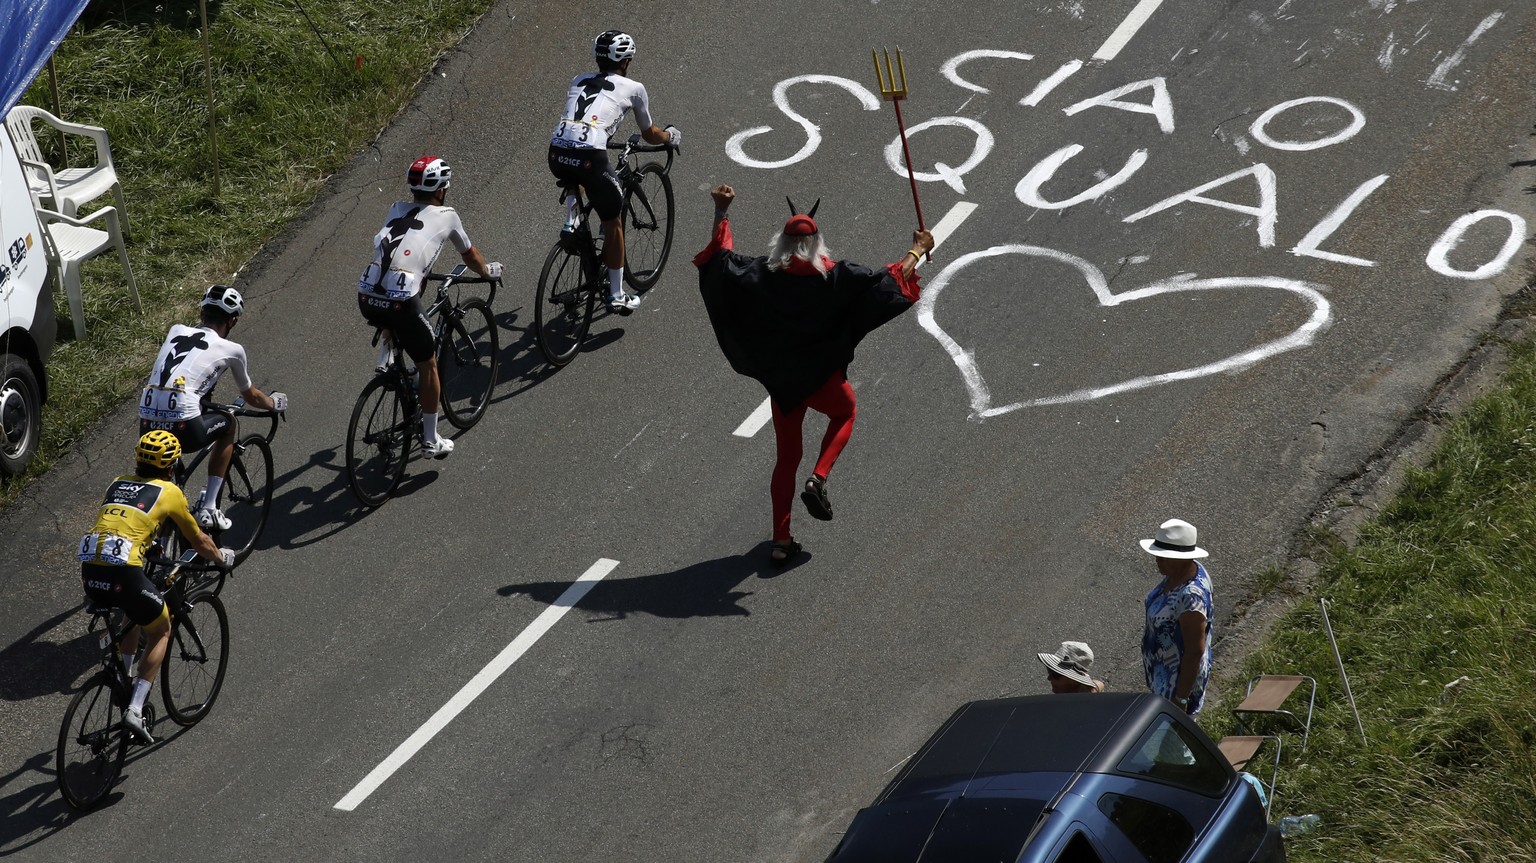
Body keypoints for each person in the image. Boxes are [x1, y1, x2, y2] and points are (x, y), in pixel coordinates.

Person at [694, 184, 935, 564]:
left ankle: (780, 540)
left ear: (782, 244)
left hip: (784, 382)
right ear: (817, 244)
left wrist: (721, 211)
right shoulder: (838, 277)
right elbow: (889, 281)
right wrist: (918, 250)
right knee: (846, 411)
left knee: (786, 457)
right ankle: (819, 478)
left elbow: (720, 261)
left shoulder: (761, 273)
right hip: (821, 379)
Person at [78, 431, 234, 743]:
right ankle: (135, 708)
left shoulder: (117, 482)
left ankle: (122, 681)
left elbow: (126, 522)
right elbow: (198, 540)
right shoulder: (171, 491)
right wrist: (220, 558)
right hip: (124, 573)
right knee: (161, 629)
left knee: (132, 612)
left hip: (90, 570)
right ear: (172, 464)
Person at [358, 155, 502, 460]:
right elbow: (470, 255)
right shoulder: (447, 215)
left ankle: (387, 357)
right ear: (442, 189)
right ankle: (430, 439)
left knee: (396, 300)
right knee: (429, 364)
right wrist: (487, 272)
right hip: (400, 302)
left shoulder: (396, 208)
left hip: (366, 295)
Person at [547, 29, 680, 313]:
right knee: (613, 223)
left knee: (576, 173)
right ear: (627, 60)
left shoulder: (578, 79)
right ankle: (617, 294)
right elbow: (650, 134)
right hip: (590, 157)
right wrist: (670, 137)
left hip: (556, 152)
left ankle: (571, 220)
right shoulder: (634, 88)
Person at [139, 285, 287, 530]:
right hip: (184, 425)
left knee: (169, 478)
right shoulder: (232, 350)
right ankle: (209, 508)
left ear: (201, 315)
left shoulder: (175, 330)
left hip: (146, 422)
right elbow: (251, 396)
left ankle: (162, 538)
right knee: (229, 422)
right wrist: (274, 403)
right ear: (233, 320)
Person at [1139, 518, 1214, 714]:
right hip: (1163, 671)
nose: (1158, 560)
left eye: (1164, 556)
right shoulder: (1184, 571)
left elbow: (1194, 652)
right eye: (1157, 555)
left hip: (1176, 683)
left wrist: (1181, 698)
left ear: (1183, 558)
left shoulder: (1190, 598)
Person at [1037, 641, 1107, 694]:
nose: (1049, 678)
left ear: (1073, 681)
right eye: (1050, 670)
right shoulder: (1089, 691)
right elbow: (1099, 684)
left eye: (1056, 675)